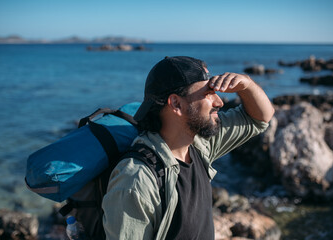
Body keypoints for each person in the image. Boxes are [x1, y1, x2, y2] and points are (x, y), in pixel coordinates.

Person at [102, 56, 275, 240]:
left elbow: (260, 118)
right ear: (176, 103)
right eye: (209, 93)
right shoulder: (136, 181)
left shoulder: (199, 145)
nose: (220, 102)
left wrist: (246, 85)